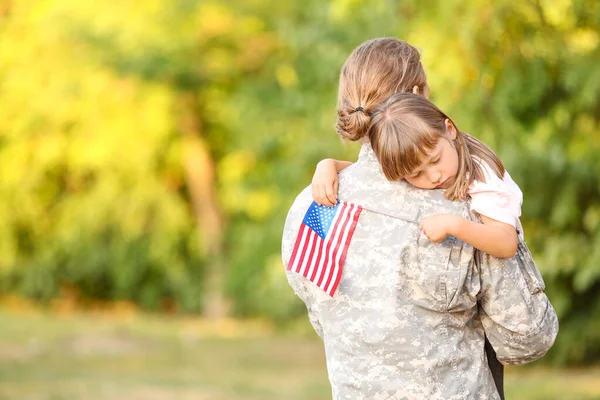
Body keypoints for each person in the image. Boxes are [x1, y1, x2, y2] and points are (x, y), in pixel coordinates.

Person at [282, 37, 558, 400]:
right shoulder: (467, 211)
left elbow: (324, 315)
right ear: (418, 94)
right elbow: (526, 337)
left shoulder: (314, 204)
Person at [311, 93, 522, 259]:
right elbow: (371, 177)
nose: (434, 176)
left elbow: (506, 243)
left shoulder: (480, 174)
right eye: (416, 174)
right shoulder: (415, 159)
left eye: (435, 160)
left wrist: (454, 225)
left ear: (449, 129)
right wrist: (330, 165)